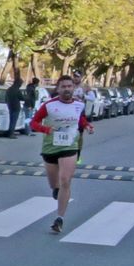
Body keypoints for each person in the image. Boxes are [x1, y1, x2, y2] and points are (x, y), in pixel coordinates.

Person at [29, 74, 94, 234]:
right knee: (55, 184)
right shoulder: (49, 105)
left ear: (74, 88)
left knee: (65, 180)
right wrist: (46, 129)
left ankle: (60, 219)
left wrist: (87, 126)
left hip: (70, 146)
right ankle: (56, 189)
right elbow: (33, 123)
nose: (67, 89)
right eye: (63, 87)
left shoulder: (79, 105)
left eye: (69, 86)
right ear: (58, 89)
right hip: (50, 148)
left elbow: (80, 120)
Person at [4, 71, 24, 137]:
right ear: (19, 83)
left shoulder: (9, 89)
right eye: (21, 84)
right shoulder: (17, 90)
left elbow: (6, 98)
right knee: (14, 120)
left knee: (11, 120)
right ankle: (11, 133)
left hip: (10, 106)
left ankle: (10, 132)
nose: (21, 85)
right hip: (16, 107)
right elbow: (22, 98)